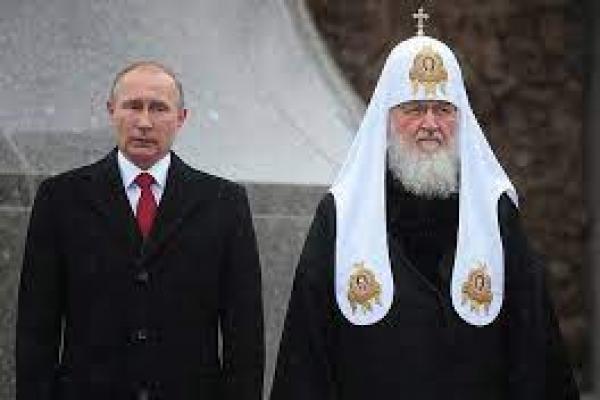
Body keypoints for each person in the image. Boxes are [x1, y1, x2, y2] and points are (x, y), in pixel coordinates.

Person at [270, 15, 579, 400]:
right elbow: (308, 354)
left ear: (460, 119)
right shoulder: (343, 215)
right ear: (387, 118)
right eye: (415, 108)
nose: (430, 123)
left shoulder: (494, 212)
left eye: (443, 109)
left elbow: (533, 347)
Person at [16, 61, 264, 400]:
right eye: (133, 106)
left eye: (159, 108)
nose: (144, 122)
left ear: (181, 118)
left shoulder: (224, 203)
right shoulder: (62, 199)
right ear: (111, 111)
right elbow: (36, 328)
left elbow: (244, 333)